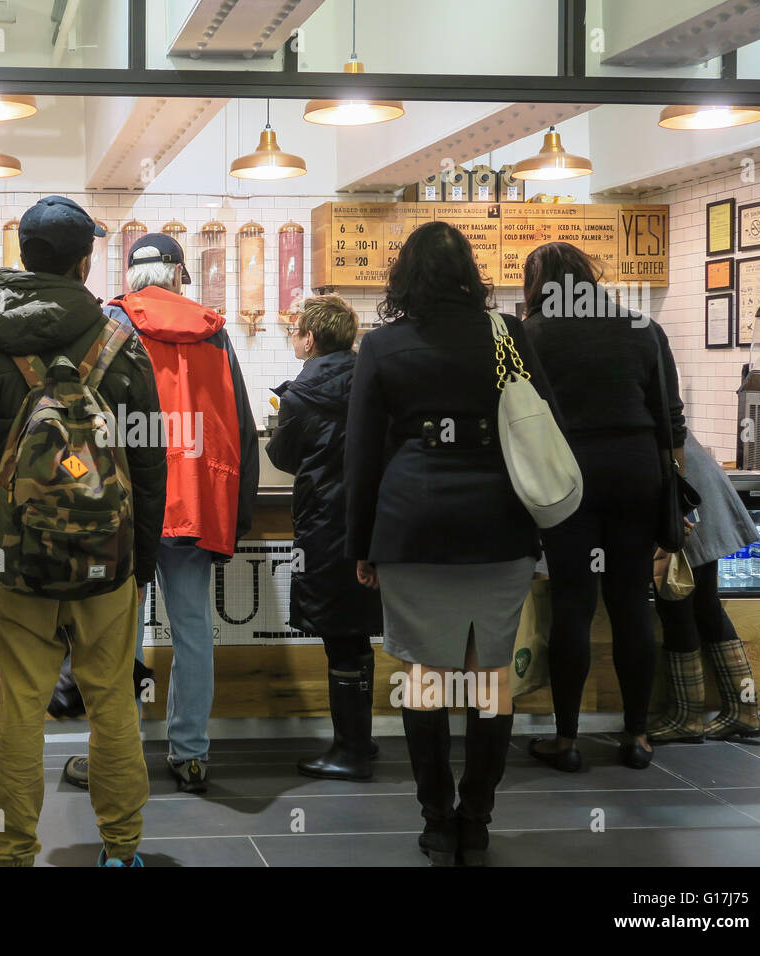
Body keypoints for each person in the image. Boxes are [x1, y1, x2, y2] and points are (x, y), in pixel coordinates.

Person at [0, 196, 167, 867]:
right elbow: (150, 464)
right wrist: (138, 560)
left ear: (24, 255)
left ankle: (10, 854)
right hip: (109, 565)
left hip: (20, 568)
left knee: (19, 709)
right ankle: (122, 851)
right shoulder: (122, 342)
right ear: (84, 262)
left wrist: (7, 519)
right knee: (113, 702)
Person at [345, 220, 557, 867]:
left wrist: (362, 545)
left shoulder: (382, 347)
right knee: (489, 681)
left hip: (414, 530)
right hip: (500, 530)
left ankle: (437, 821)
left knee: (428, 681)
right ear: (470, 271)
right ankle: (477, 818)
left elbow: (361, 455)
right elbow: (540, 418)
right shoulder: (506, 334)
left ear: (403, 276)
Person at [95, 231, 259, 794]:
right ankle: (190, 753)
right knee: (192, 628)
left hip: (128, 501)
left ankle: (120, 753)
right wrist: (239, 511)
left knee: (122, 630)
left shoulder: (114, 325)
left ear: (131, 277)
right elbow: (240, 422)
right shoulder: (213, 332)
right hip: (196, 499)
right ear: (179, 276)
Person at [521, 241, 686, 772]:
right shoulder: (642, 329)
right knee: (632, 602)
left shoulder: (530, 335)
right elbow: (671, 420)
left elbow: (515, 417)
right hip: (637, 473)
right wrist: (672, 490)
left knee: (573, 603)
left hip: (568, 477)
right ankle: (636, 737)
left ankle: (566, 740)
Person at [267, 294, 382, 781]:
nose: (293, 337)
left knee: (339, 637)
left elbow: (282, 456)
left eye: (295, 331)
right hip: (371, 523)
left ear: (310, 338)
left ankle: (349, 752)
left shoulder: (300, 395)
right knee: (356, 635)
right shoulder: (374, 381)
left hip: (323, 523)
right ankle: (361, 741)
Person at [651, 432, 760, 742]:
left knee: (676, 600)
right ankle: (744, 709)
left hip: (682, 498)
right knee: (704, 604)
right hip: (690, 490)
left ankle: (687, 717)